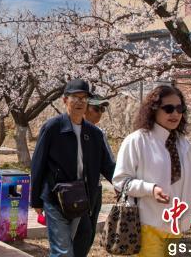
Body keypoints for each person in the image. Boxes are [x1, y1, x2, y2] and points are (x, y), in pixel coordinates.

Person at [113, 85, 191, 257]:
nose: (175, 114)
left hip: (176, 227)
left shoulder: (185, 146)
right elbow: (120, 181)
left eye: (179, 109)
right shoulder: (137, 141)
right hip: (147, 225)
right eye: (168, 108)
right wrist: (150, 189)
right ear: (153, 109)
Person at [30, 79, 116, 257]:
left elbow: (108, 166)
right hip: (55, 197)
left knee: (79, 244)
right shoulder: (53, 127)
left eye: (84, 98)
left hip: (82, 199)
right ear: (65, 100)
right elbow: (38, 164)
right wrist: (36, 200)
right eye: (75, 97)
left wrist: (123, 184)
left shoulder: (94, 134)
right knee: (63, 250)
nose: (80, 102)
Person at [74, 93, 115, 257]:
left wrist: (120, 183)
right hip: (73, 190)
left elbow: (108, 164)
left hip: (94, 190)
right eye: (96, 108)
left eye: (102, 109)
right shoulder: (66, 130)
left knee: (89, 233)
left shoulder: (98, 133)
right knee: (82, 232)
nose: (100, 113)